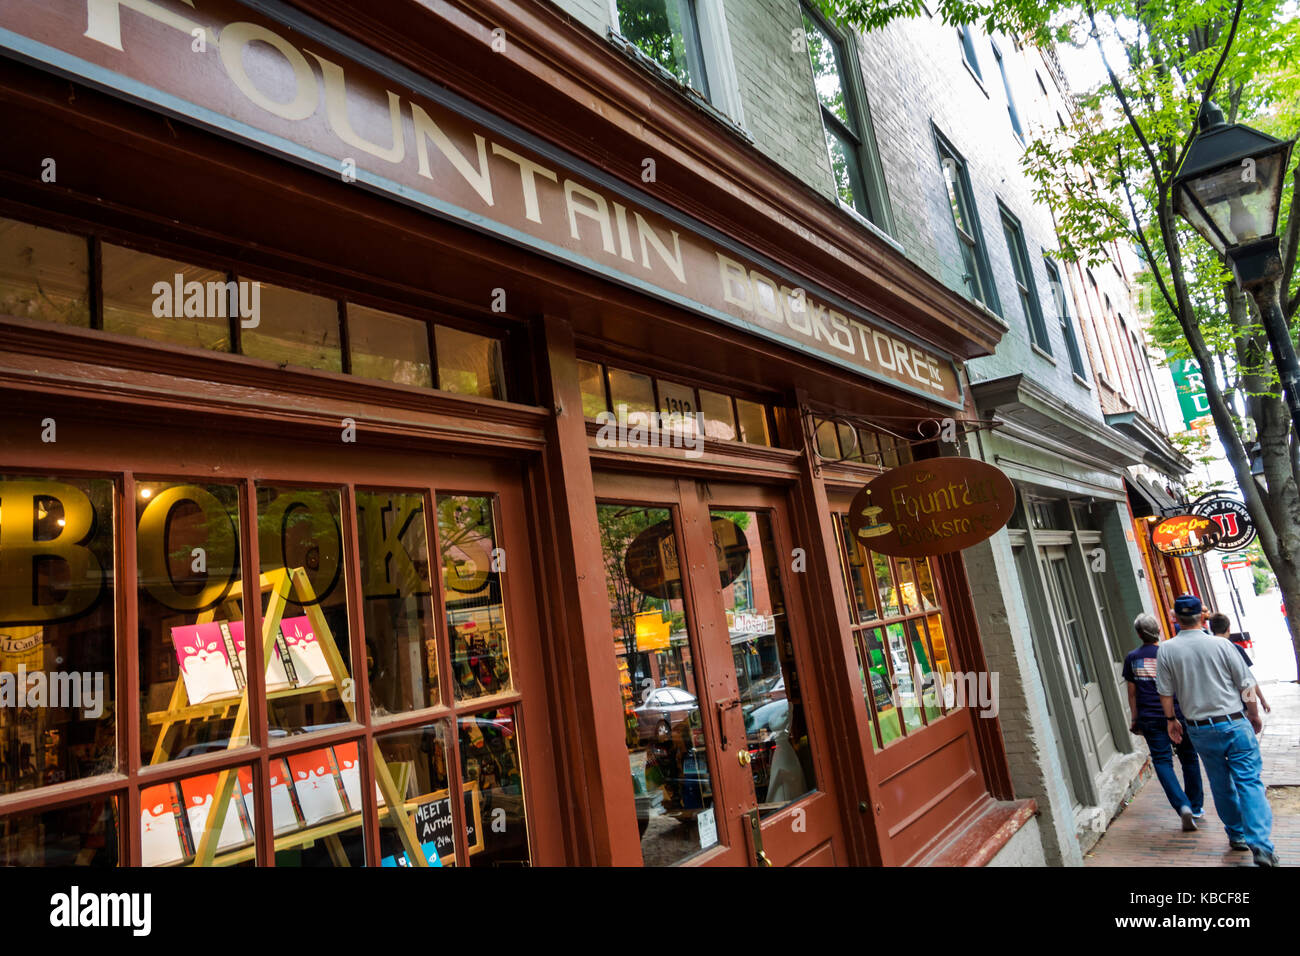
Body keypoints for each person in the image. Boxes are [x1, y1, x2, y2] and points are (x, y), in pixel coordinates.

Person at [1157, 594, 1277, 867]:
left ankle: (1236, 835)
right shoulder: (1223, 645)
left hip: (1200, 729)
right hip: (1233, 722)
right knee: (1248, 782)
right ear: (1202, 616)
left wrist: (1170, 720)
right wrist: (1254, 714)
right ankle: (1261, 845)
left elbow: (1165, 691)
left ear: (1175, 618)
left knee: (1220, 783)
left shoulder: (1166, 650)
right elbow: (1245, 682)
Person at [1123, 614, 1203, 831]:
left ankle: (1182, 806)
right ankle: (1195, 806)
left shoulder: (1132, 658)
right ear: (1158, 629)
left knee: (1162, 761)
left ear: (1139, 634)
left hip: (1149, 718)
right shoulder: (1170, 653)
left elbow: (1132, 693)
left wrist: (1134, 717)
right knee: (1189, 757)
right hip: (1177, 714)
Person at [1208, 612, 1270, 714]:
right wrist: (1260, 702)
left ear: (1211, 629)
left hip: (1217, 708)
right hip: (1239, 706)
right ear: (1228, 628)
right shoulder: (1235, 648)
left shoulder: (1207, 651)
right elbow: (1247, 679)